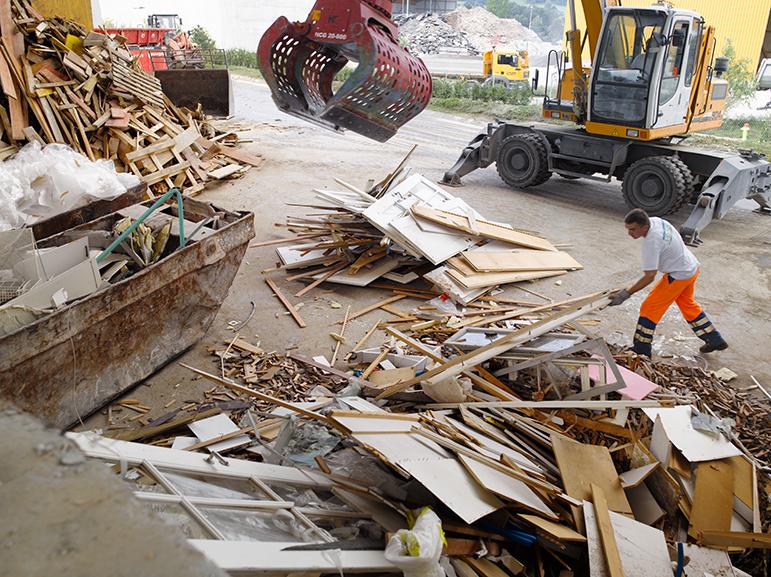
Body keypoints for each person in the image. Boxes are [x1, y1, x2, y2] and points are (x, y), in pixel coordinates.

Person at [609, 208, 728, 357]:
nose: (630, 233)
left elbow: (650, 276)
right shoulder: (657, 221)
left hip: (679, 275)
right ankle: (714, 339)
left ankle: (641, 349)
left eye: (632, 229)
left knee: (649, 307)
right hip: (691, 266)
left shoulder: (651, 242)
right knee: (687, 304)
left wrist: (626, 294)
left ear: (644, 227)